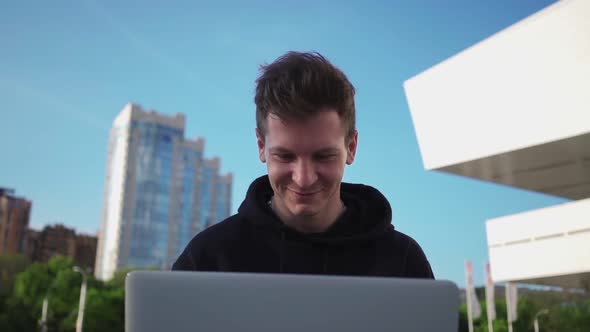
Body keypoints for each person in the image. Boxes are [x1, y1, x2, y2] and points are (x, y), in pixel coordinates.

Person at [173, 51, 434, 278]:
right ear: (260, 146)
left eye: (323, 156)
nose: (304, 178)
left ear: (351, 148)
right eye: (285, 156)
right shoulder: (207, 258)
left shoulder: (404, 262)